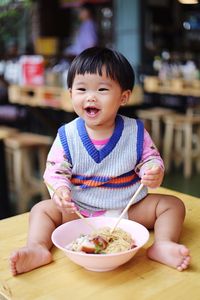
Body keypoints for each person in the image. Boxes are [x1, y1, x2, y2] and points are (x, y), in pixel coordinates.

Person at [10, 47, 191, 276]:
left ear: (123, 97)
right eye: (82, 89)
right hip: (81, 211)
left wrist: (153, 170)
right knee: (41, 210)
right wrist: (61, 192)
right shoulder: (67, 135)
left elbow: (150, 158)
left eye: (102, 89)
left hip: (128, 207)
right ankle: (37, 248)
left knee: (172, 206)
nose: (90, 96)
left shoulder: (135, 131)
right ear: (71, 93)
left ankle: (163, 244)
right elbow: (55, 172)